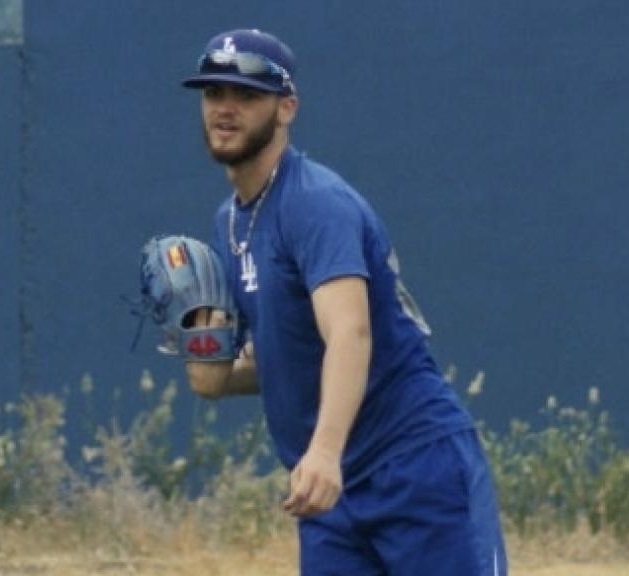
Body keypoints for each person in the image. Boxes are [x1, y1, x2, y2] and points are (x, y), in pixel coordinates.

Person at [180, 29, 508, 575]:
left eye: (247, 95)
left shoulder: (314, 203)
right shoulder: (231, 221)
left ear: (286, 108)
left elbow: (349, 333)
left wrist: (325, 451)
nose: (226, 109)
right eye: (214, 94)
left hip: (413, 466)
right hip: (331, 495)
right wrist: (201, 343)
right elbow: (243, 370)